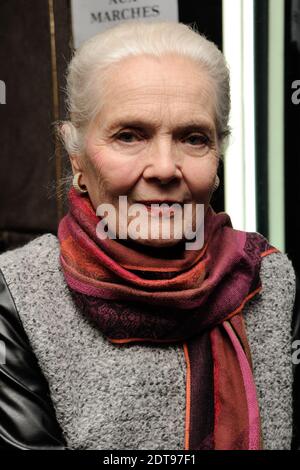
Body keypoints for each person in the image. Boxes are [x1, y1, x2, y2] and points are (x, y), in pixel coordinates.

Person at [0, 20, 296, 450]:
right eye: (129, 136)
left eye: (194, 138)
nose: (162, 168)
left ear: (218, 155)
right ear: (77, 157)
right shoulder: (17, 293)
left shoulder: (271, 278)